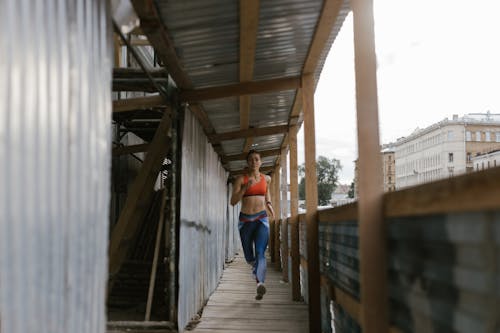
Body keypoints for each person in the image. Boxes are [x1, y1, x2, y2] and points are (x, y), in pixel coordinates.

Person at [230, 149, 274, 300]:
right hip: (245, 221)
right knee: (250, 257)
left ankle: (260, 283)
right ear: (247, 163)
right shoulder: (240, 179)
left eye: (257, 159)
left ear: (261, 162)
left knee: (261, 252)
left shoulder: (266, 179)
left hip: (262, 219)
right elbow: (233, 201)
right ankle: (256, 270)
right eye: (251, 160)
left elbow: (267, 192)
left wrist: (269, 203)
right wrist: (244, 188)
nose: (254, 162)